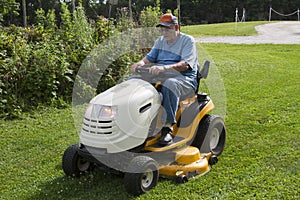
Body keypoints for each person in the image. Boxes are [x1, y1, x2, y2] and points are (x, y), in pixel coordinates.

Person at [131, 14, 199, 146]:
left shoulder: (187, 41)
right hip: (161, 76)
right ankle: (133, 121)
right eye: (162, 29)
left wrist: (164, 67)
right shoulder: (160, 41)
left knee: (169, 85)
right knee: (134, 81)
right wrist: (140, 63)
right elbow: (149, 58)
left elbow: (185, 64)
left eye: (167, 29)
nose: (164, 32)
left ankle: (167, 128)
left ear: (176, 27)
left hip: (184, 79)